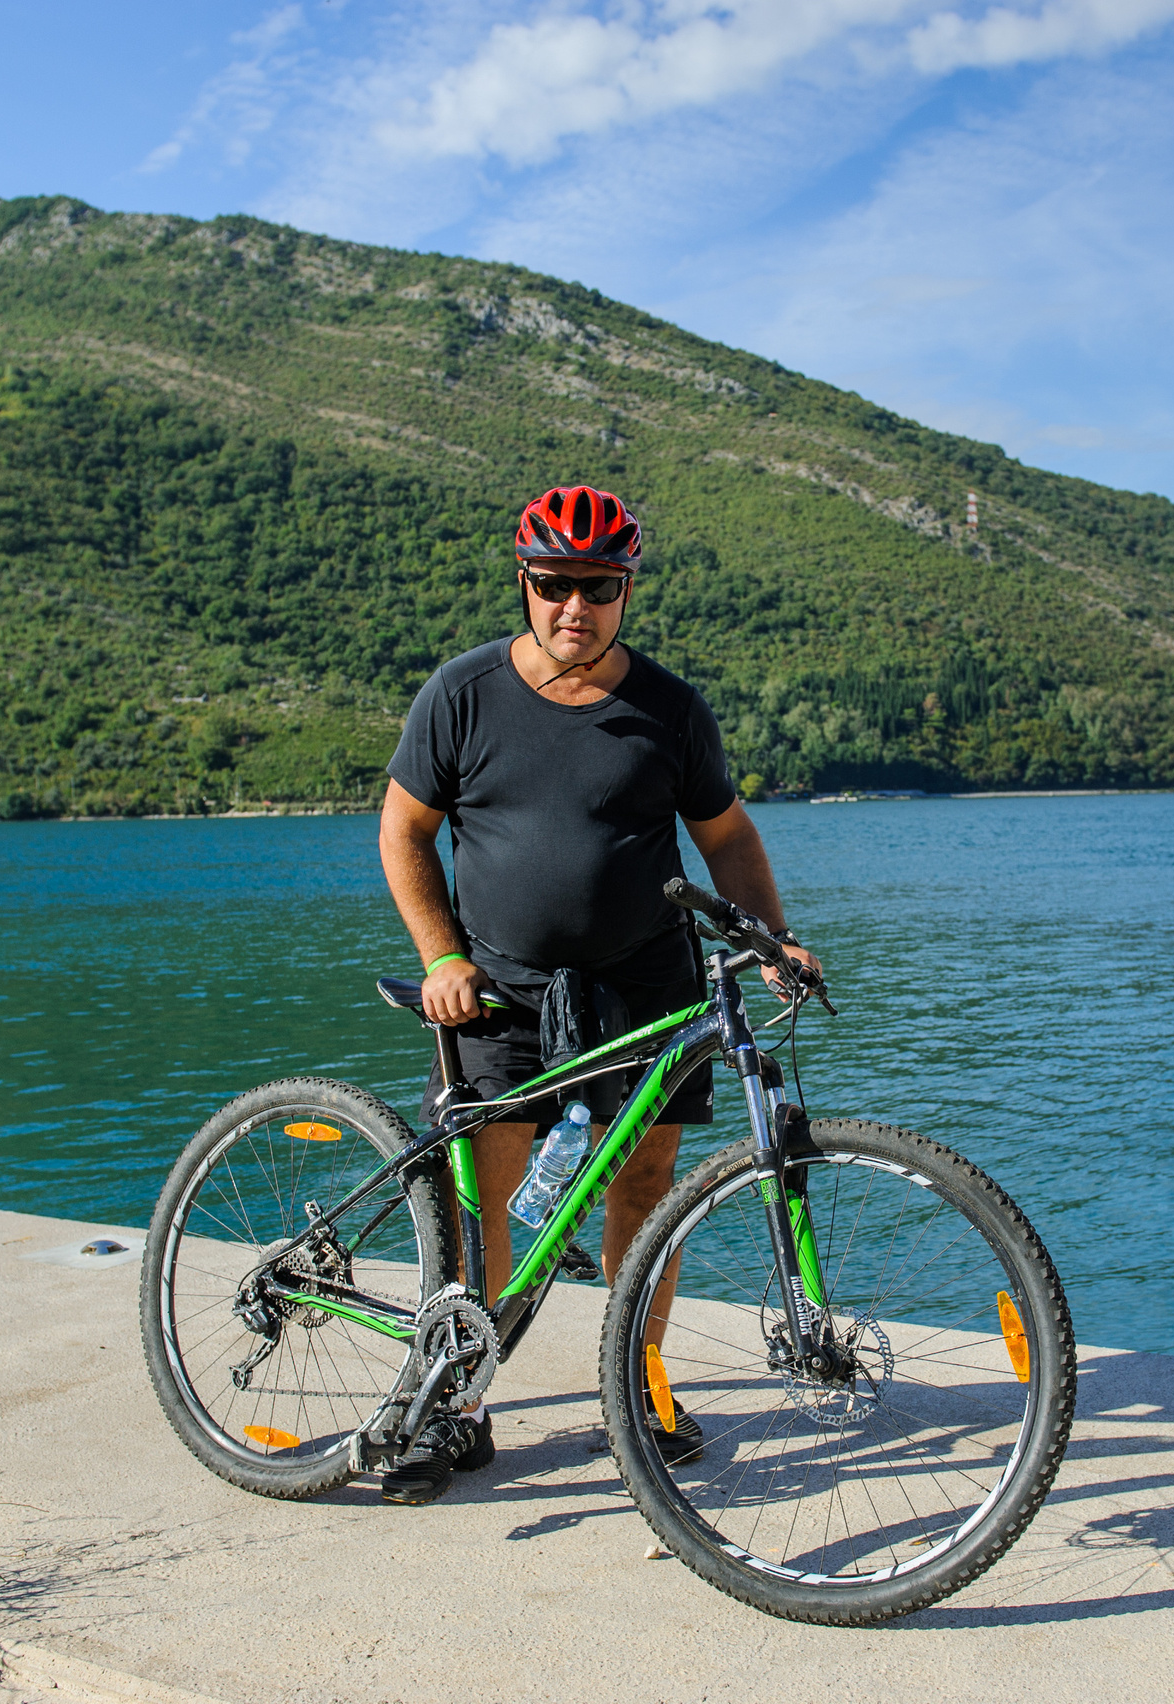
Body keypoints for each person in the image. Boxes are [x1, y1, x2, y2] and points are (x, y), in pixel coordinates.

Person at [375, 484, 821, 1506]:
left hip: (645, 988)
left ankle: (635, 1389)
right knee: (488, 1195)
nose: (574, 606)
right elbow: (404, 832)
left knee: (642, 1186)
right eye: (555, 584)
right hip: (498, 993)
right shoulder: (464, 693)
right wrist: (444, 960)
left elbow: (728, 840)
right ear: (524, 584)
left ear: (626, 590)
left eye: (598, 586)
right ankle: (459, 1400)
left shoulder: (667, 708)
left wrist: (773, 942)